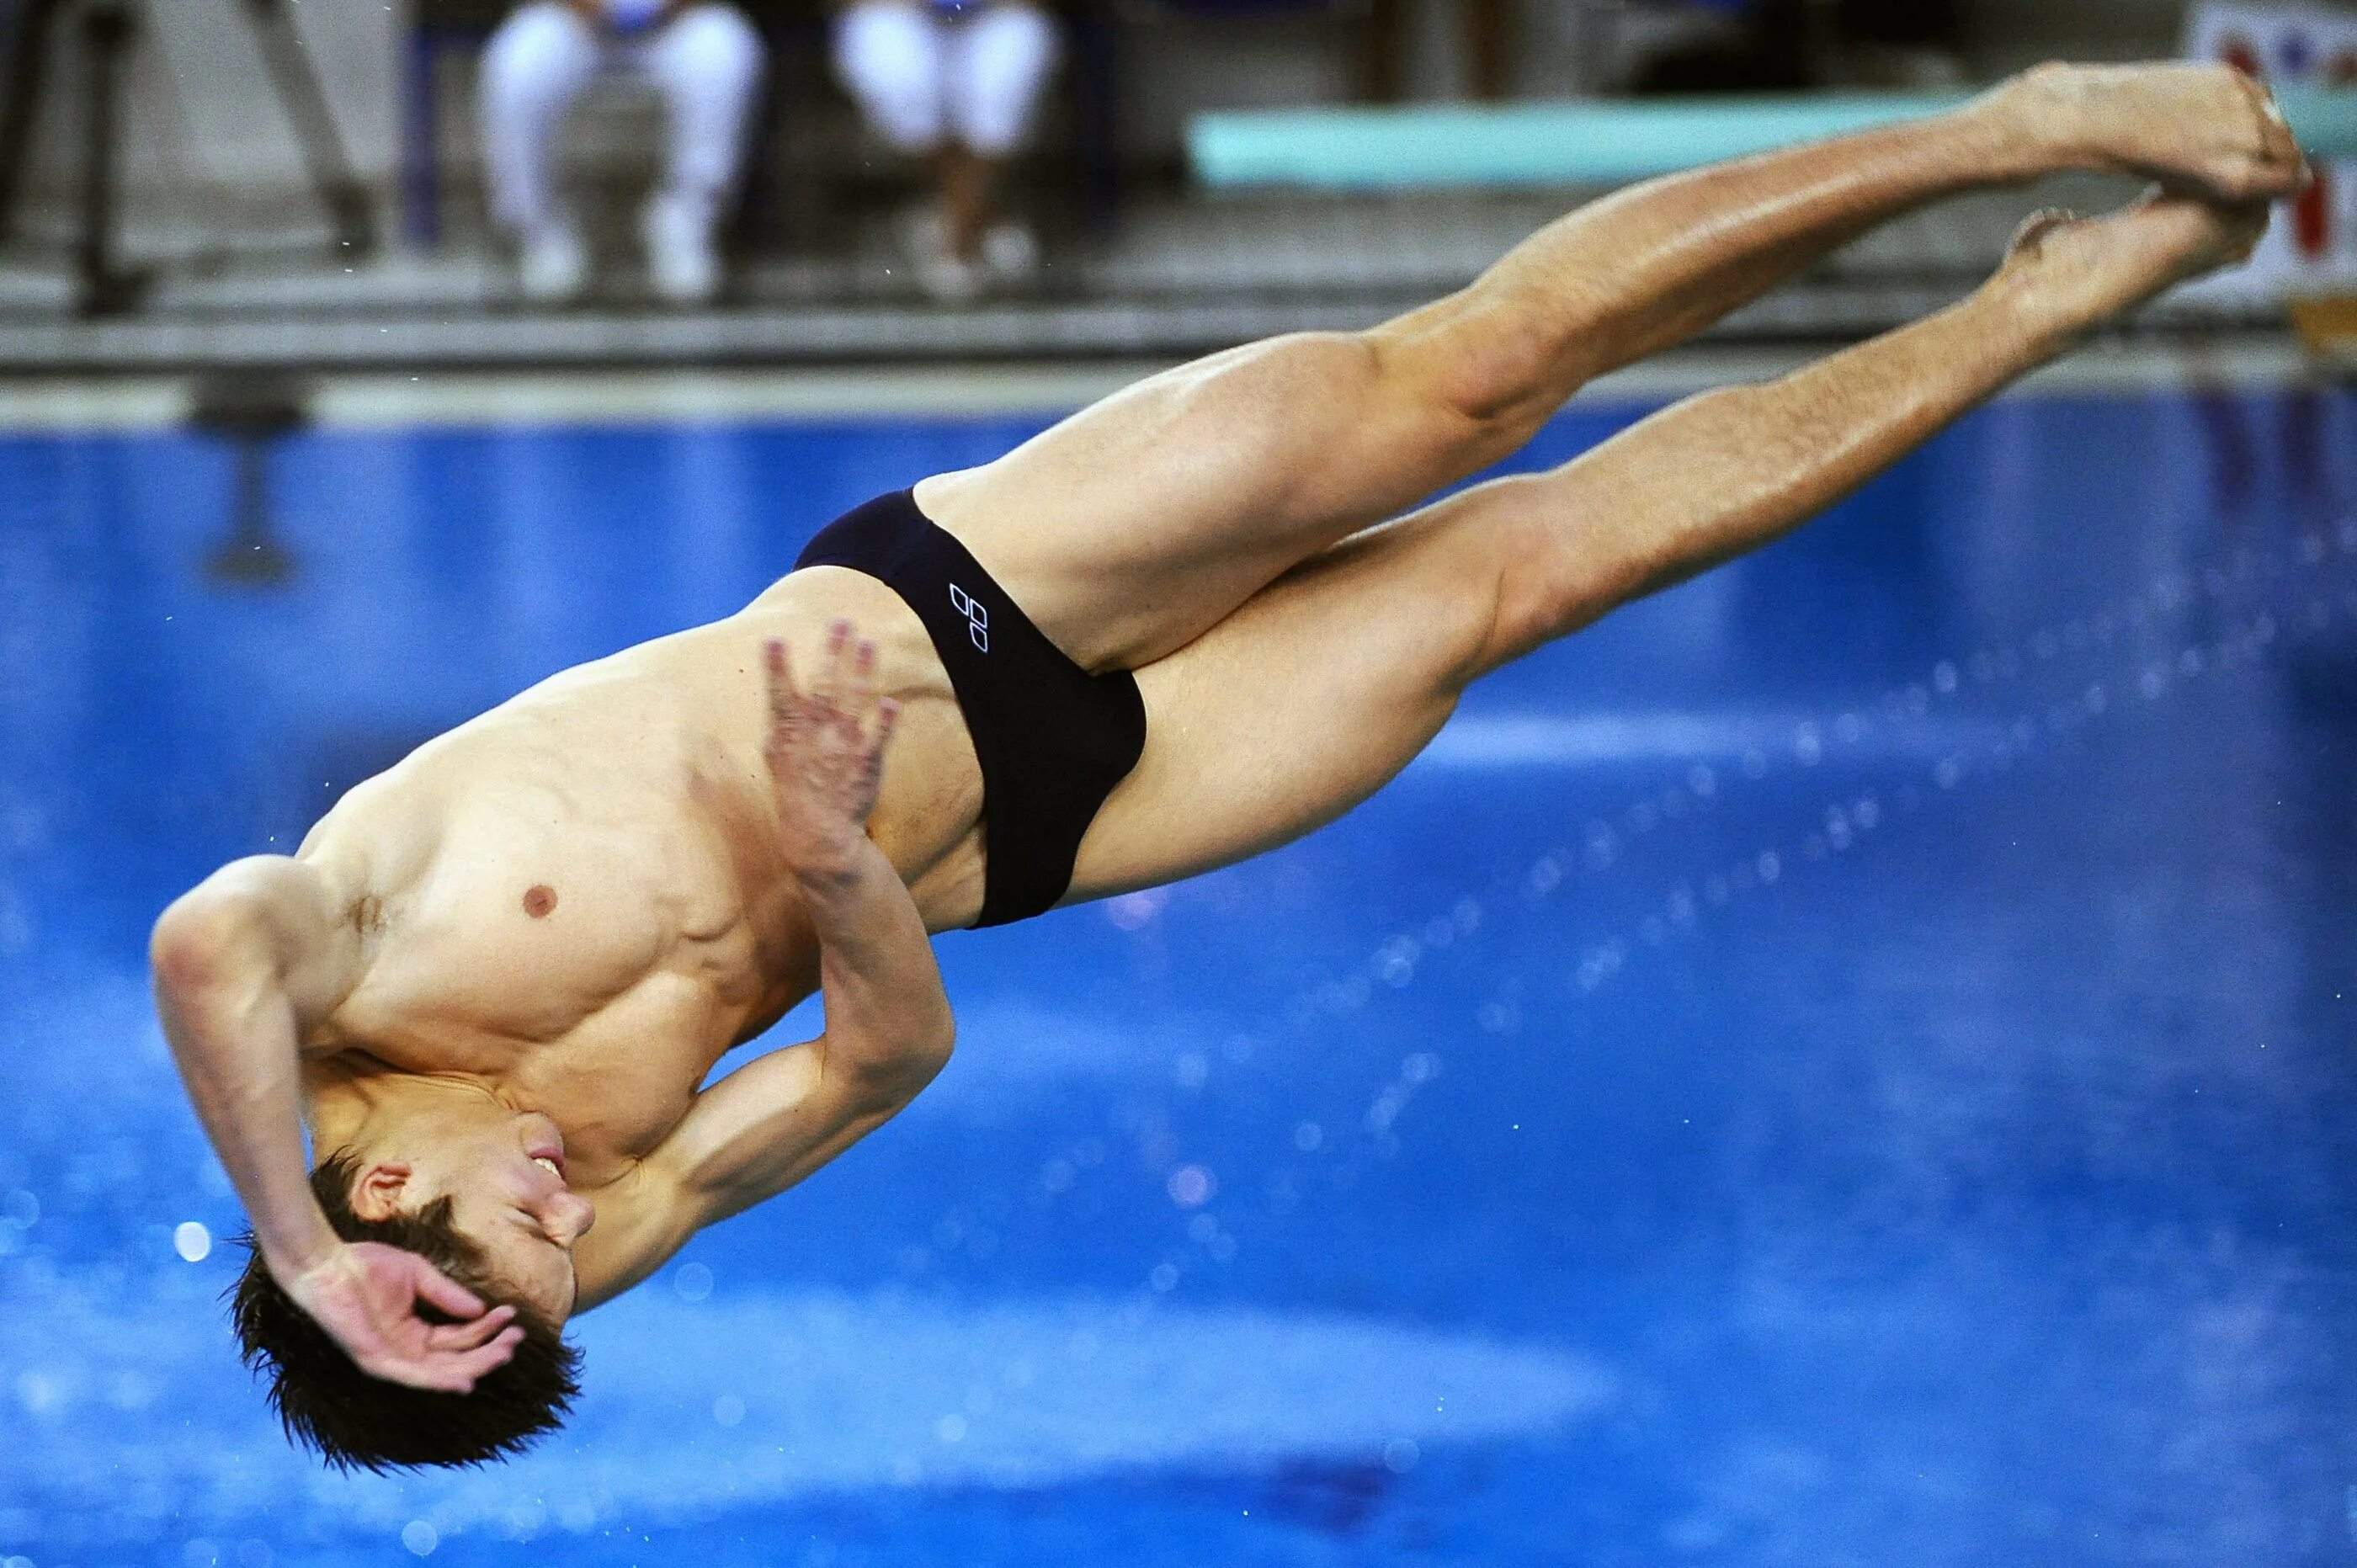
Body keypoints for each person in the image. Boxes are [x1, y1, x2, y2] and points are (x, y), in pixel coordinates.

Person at [152, 64, 2305, 1470]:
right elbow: (882, 1067)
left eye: (507, 1227)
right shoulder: (571, 1235)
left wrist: (297, 1251)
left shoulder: (335, 968)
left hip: (963, 598)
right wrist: (834, 866)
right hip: (1040, 832)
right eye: (556, 1250)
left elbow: (192, 941)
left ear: (370, 1205)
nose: (567, 1200)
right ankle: (2053, 295)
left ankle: (2014, 123)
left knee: (1470, 380)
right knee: (1531, 577)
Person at [480, 0, 768, 305]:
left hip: (677, 20)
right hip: (570, 20)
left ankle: (687, 223)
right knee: (518, 64)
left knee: (724, 49)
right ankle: (540, 230)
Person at [832, 0, 1058, 297]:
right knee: (898, 71)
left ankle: (955, 236)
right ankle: (977, 223)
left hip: (1000, 13)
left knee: (1009, 69)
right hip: (894, 10)